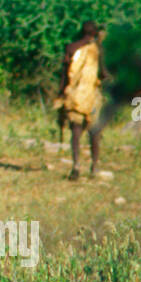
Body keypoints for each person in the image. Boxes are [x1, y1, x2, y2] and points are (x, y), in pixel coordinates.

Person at [54, 21, 109, 180]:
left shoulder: (71, 48)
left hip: (74, 95)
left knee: (76, 132)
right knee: (94, 132)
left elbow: (65, 74)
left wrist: (60, 94)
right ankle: (94, 167)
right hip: (91, 95)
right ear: (96, 33)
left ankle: (76, 166)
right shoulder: (98, 49)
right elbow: (103, 73)